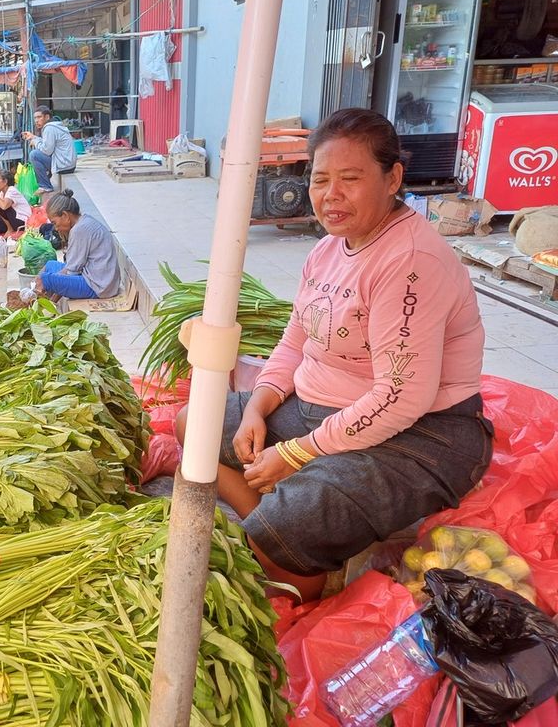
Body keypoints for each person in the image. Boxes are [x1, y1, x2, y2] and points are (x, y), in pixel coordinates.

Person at [176, 108, 492, 602]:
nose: (331, 194)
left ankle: (297, 562)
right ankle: (276, 523)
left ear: (393, 179)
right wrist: (258, 407)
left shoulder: (410, 261)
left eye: (350, 178)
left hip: (423, 432)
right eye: (320, 179)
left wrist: (299, 452)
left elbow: (402, 396)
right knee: (193, 424)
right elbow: (294, 343)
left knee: (289, 526)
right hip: (322, 411)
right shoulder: (327, 251)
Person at [34, 190, 120, 300]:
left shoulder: (79, 230)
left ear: (65, 215)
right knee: (50, 265)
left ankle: (45, 306)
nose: (55, 228)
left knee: (46, 279)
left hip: (98, 286)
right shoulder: (84, 221)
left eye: (55, 222)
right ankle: (46, 303)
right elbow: (73, 268)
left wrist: (51, 285)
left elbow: (72, 271)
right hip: (96, 278)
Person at [22, 105, 77, 196]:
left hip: (64, 165)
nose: (36, 120)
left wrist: (35, 142)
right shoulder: (53, 126)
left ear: (47, 117)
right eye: (35, 118)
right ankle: (46, 179)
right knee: (37, 154)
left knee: (34, 155)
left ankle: (45, 186)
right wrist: (33, 137)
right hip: (68, 164)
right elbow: (47, 144)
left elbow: (46, 150)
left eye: (39, 117)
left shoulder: (49, 128)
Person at [0, 169, 32, 240]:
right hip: (12, 220)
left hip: (21, 221)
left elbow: (4, 207)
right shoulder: (2, 193)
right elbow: (0, 213)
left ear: (5, 182)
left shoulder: (11, 190)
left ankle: (10, 229)